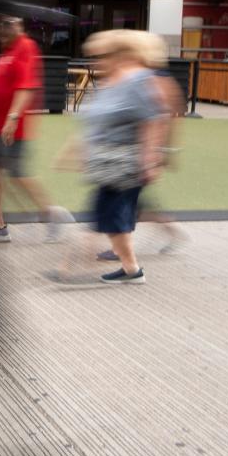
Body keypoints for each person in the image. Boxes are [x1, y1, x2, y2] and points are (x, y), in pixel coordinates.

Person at [0, 5, 71, 243]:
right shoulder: (5, 50)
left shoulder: (26, 47)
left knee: (17, 176)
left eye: (9, 24)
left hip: (14, 127)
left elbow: (26, 87)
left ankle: (50, 213)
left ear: (20, 25)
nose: (3, 29)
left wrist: (12, 118)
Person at [79, 30, 167, 284]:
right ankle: (131, 269)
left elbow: (153, 120)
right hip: (106, 161)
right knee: (109, 214)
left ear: (119, 54)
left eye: (100, 56)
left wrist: (151, 160)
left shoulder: (138, 80)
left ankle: (131, 269)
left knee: (111, 215)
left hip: (126, 161)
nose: (96, 62)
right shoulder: (110, 80)